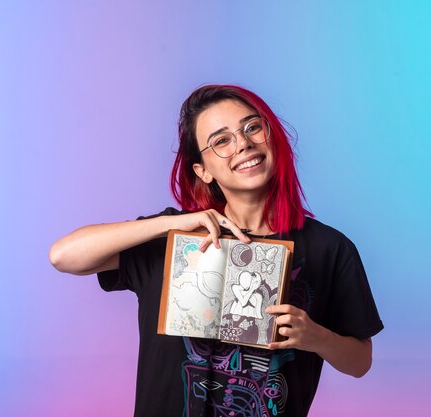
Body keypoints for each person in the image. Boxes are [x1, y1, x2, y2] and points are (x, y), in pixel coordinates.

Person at [49, 84, 384, 417]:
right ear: (202, 170)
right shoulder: (173, 237)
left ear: (274, 138)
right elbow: (64, 256)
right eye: (221, 140)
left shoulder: (331, 248)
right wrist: (167, 224)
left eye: (253, 127)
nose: (243, 144)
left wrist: (315, 337)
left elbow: (360, 362)